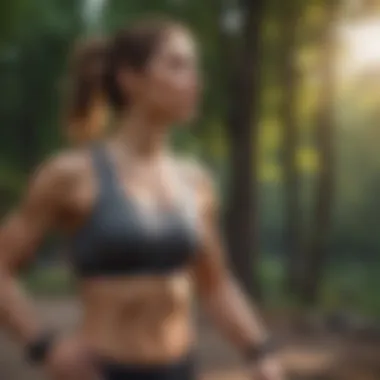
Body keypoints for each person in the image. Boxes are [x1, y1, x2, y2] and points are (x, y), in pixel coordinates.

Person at [0, 16, 283, 380]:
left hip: (180, 370)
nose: (195, 81)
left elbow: (215, 284)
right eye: (177, 65)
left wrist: (259, 350)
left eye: (194, 67)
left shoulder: (195, 182)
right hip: (101, 372)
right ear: (130, 79)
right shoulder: (71, 175)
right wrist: (43, 345)